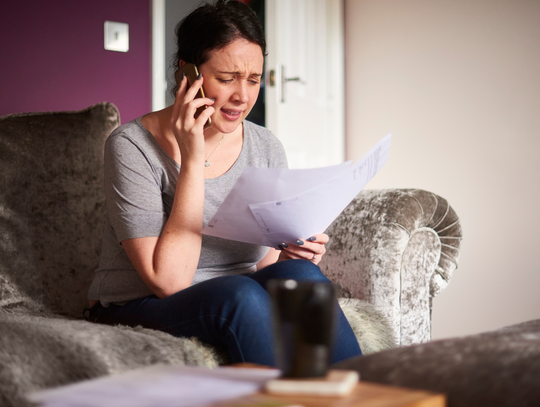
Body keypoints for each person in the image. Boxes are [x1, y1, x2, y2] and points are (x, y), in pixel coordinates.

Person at [87, 0, 361, 366]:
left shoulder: (265, 146)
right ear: (187, 74)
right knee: (239, 294)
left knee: (302, 275)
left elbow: (262, 267)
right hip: (140, 304)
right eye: (227, 79)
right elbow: (168, 282)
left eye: (253, 80)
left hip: (237, 291)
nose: (243, 97)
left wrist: (288, 253)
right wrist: (192, 157)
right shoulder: (131, 146)